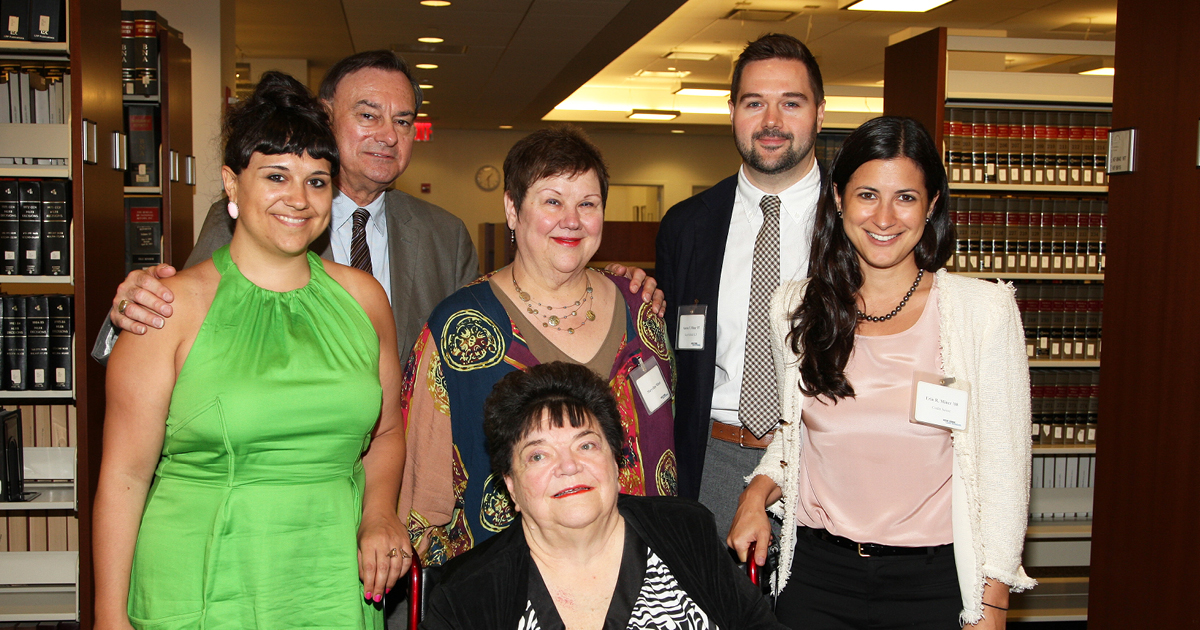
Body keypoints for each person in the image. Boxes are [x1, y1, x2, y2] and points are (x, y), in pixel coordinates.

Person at [95, 50, 661, 367]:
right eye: (368, 114)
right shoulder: (249, 217)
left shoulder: (444, 235)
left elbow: (498, 328)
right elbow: (173, 317)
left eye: (403, 120)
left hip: (408, 474)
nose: (387, 135)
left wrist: (610, 279)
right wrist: (130, 310)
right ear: (325, 114)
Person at [91, 72, 411, 629]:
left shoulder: (364, 300)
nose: (299, 198)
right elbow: (123, 477)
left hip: (328, 578)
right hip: (203, 576)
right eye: (276, 176)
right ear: (232, 186)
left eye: (316, 181)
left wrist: (380, 513)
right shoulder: (166, 309)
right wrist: (108, 617)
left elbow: (385, 432)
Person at [728, 116, 1035, 629]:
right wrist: (755, 494)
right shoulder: (796, 307)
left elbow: (1004, 473)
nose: (885, 217)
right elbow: (795, 439)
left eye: (906, 198)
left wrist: (994, 601)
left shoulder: (982, 312)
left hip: (934, 587)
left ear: (932, 203)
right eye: (867, 194)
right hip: (818, 581)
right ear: (840, 198)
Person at [401, 126, 676, 568]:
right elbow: (423, 487)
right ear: (512, 208)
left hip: (638, 576)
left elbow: (664, 451)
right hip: (507, 582)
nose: (572, 220)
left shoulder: (642, 313)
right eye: (552, 201)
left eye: (587, 204)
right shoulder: (459, 327)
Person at [421, 361, 785, 630]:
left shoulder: (685, 530)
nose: (568, 466)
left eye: (587, 445)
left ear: (615, 461)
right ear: (512, 486)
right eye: (538, 455)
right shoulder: (466, 598)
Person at [655, 33, 826, 536]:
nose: (771, 122)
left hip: (819, 455)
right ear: (732, 111)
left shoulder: (856, 222)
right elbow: (666, 347)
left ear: (819, 112)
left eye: (790, 103)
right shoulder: (687, 225)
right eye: (755, 103)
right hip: (711, 459)